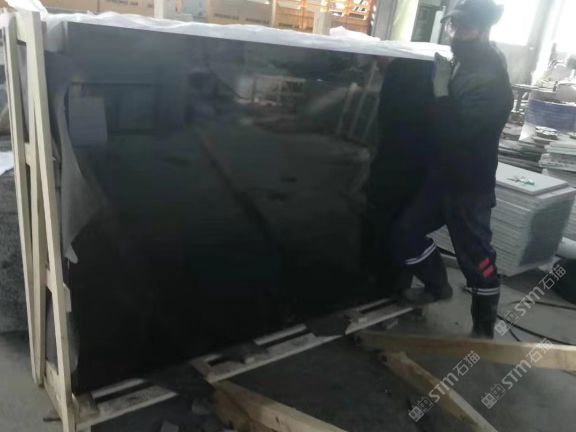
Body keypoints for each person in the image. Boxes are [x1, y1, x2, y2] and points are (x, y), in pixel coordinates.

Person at [391, 0, 514, 339]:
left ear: (484, 30)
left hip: (469, 185)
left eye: (465, 27)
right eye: (452, 25)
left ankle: (484, 326)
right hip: (441, 177)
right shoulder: (463, 62)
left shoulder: (490, 80)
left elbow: (456, 136)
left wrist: (441, 90)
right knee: (405, 233)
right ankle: (437, 286)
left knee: (478, 258)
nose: (456, 34)